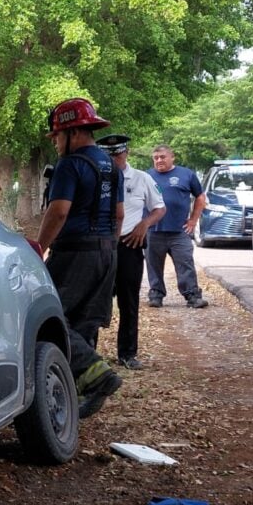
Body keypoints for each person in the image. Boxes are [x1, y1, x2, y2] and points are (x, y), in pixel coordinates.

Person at [34, 98, 124, 419]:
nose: (56, 143)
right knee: (84, 323)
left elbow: (58, 211)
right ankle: (77, 393)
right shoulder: (111, 167)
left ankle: (98, 375)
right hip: (105, 250)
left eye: (58, 136)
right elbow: (119, 214)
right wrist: (108, 248)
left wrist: (39, 246)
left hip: (74, 253)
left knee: (48, 316)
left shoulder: (69, 166)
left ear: (73, 132)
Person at [97, 135, 165, 370]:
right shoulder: (96, 177)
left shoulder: (141, 179)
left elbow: (159, 208)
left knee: (129, 302)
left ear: (126, 153)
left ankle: (127, 353)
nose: (115, 159)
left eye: (118, 154)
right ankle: (89, 356)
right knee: (95, 301)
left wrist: (144, 225)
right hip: (100, 245)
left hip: (129, 245)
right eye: (109, 155)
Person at [146, 145, 208, 309]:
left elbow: (200, 197)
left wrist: (193, 220)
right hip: (153, 230)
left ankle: (193, 296)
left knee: (185, 263)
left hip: (179, 231)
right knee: (153, 265)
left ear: (172, 157)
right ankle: (156, 295)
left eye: (163, 157)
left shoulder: (186, 174)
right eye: (156, 157)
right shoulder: (146, 176)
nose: (159, 160)